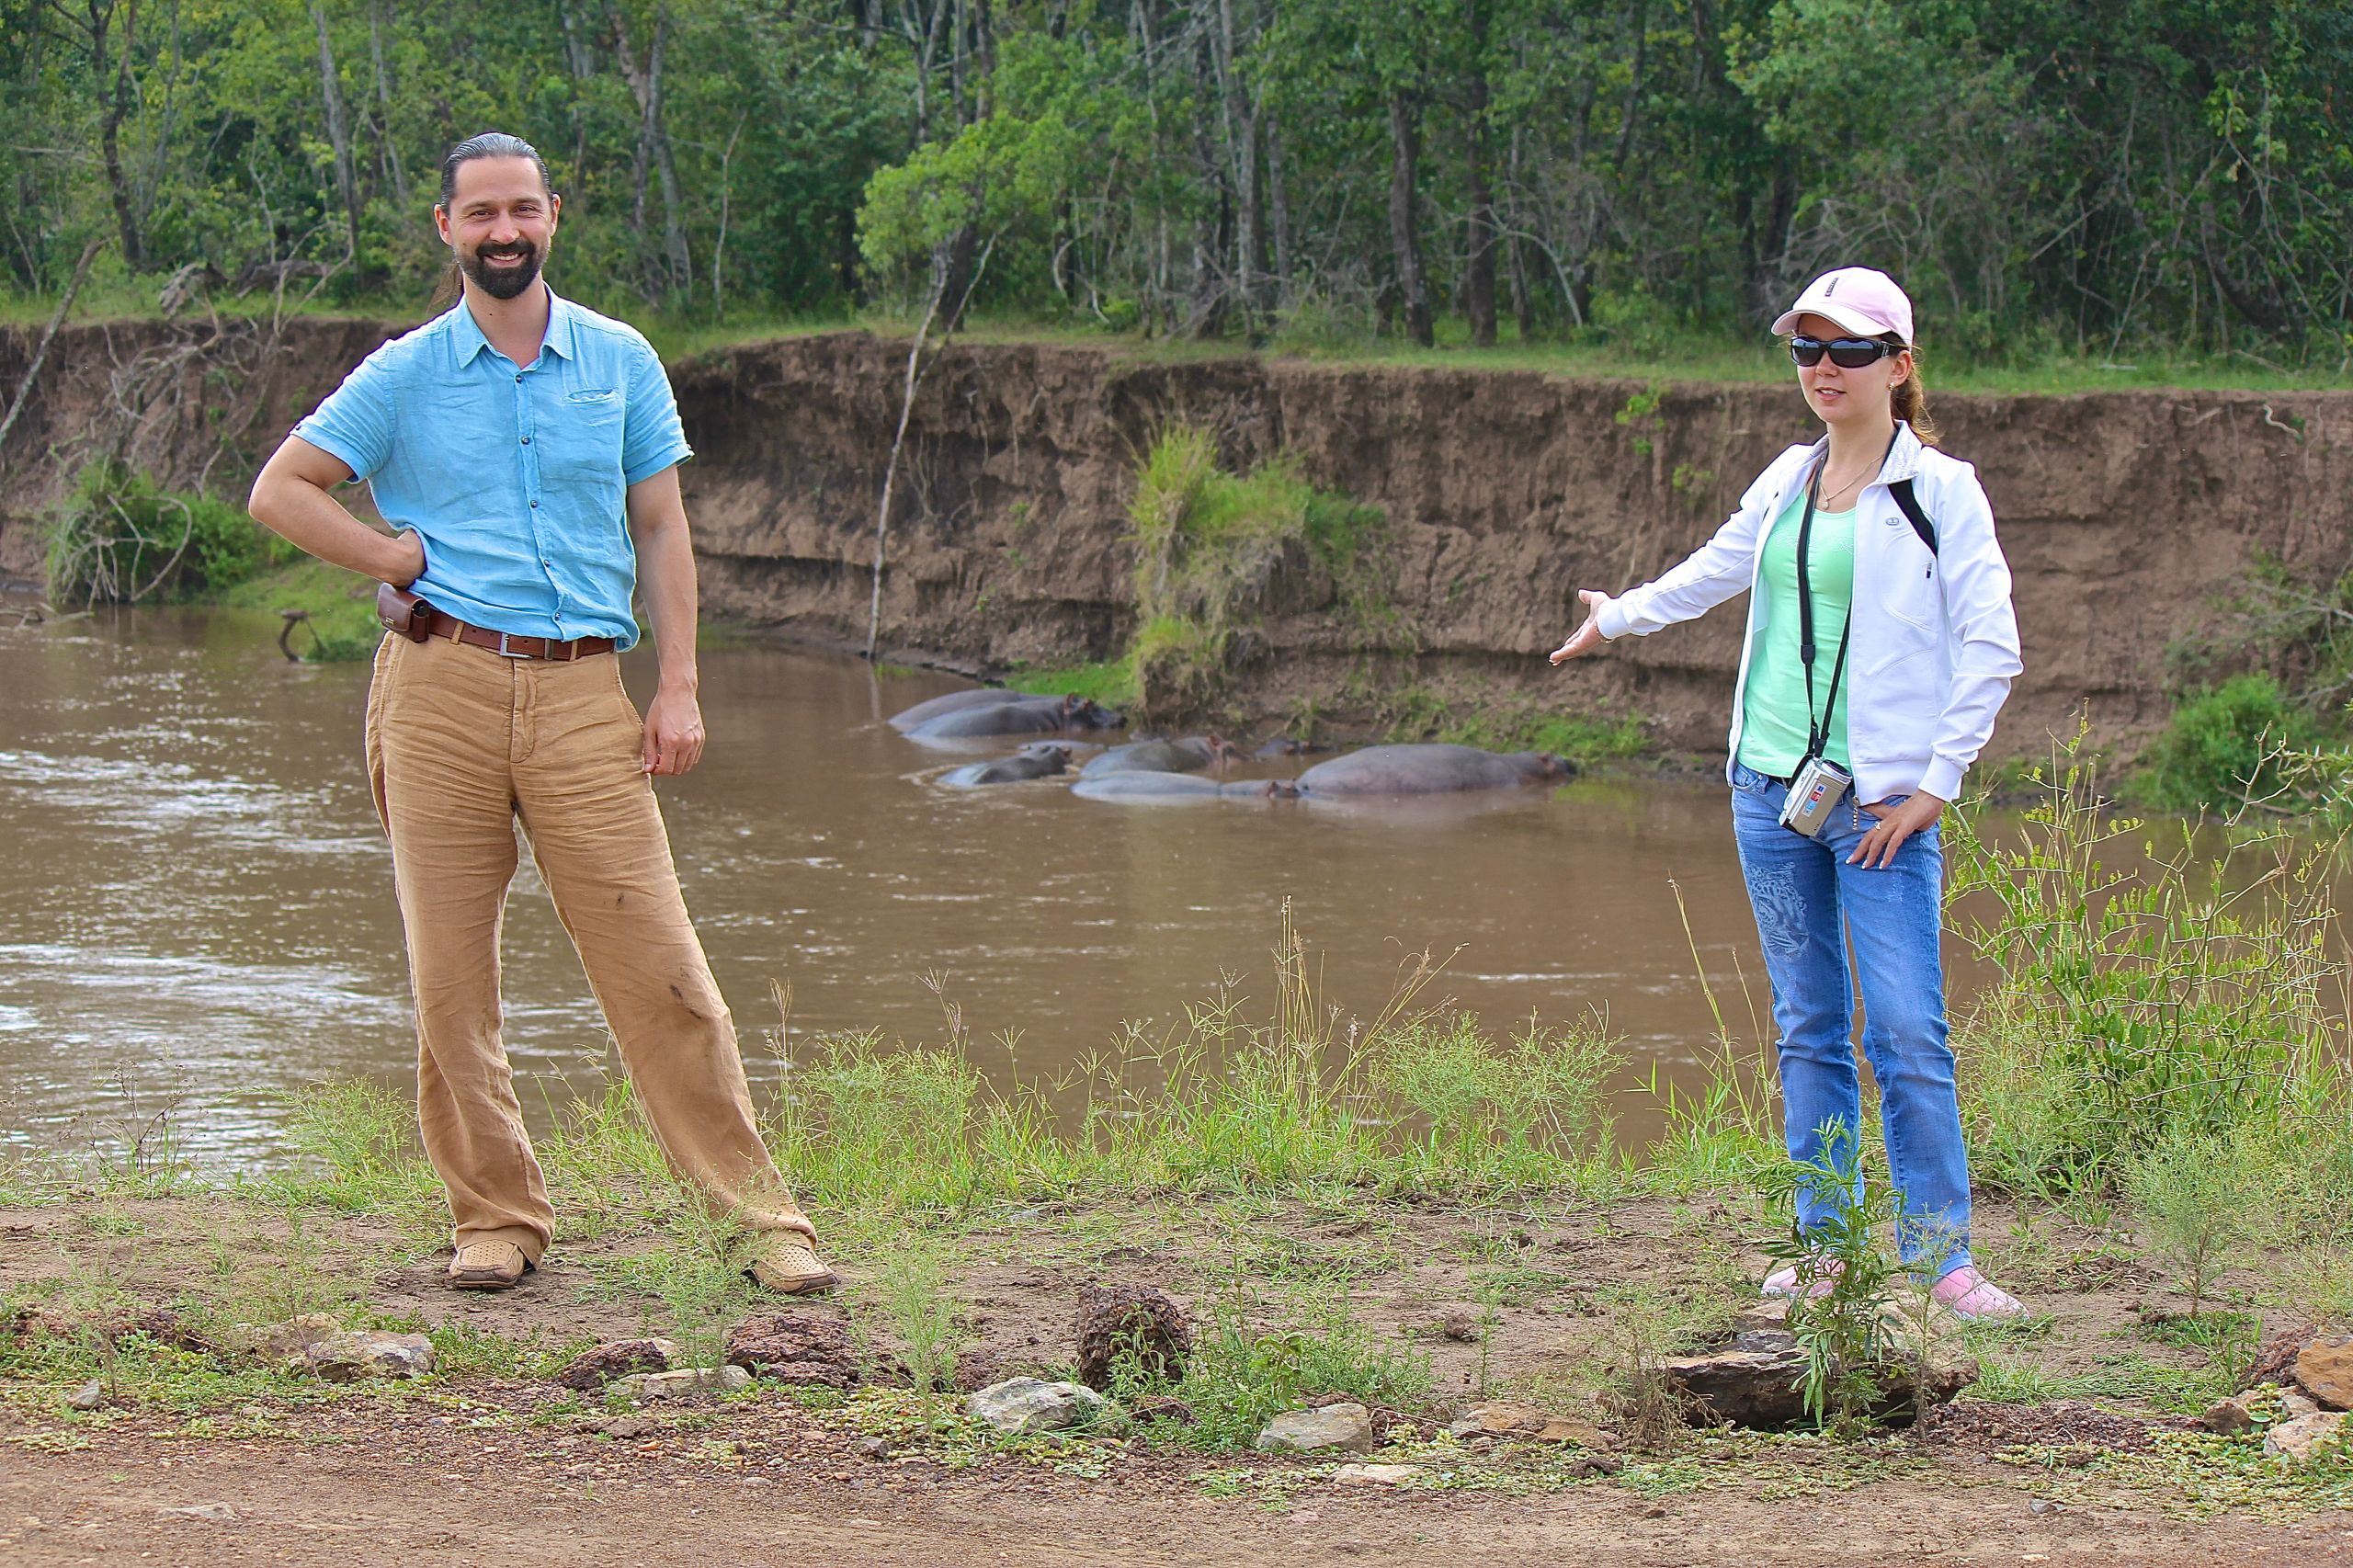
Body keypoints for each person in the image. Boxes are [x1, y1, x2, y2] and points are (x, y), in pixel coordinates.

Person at [247, 131, 835, 1297]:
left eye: (522, 208)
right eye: (481, 213)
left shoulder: (619, 359)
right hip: (437, 688)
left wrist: (678, 684)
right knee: (450, 978)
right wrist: (388, 555)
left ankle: (760, 1221)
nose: (504, 230)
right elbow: (280, 489)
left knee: (660, 963)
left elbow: (660, 524)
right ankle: (495, 1217)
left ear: (553, 214)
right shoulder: (403, 373)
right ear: (447, 227)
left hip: (582, 693)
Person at [1549, 267, 2028, 1320]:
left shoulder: (1940, 491)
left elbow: (1992, 647)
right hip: (1768, 793)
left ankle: (1942, 1260)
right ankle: (1823, 1246)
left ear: (1897, 366)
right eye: (1807, 348)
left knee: (1906, 1030)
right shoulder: (1786, 476)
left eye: (1849, 349)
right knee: (1808, 1024)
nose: (1823, 367)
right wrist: (1618, 615)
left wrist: (1936, 784)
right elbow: (1717, 568)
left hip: (1879, 807)